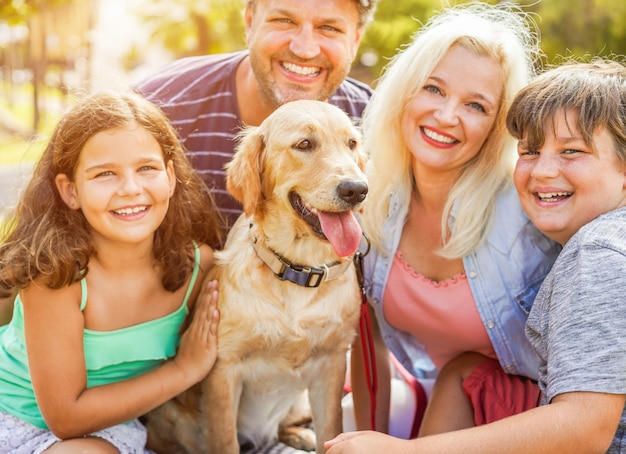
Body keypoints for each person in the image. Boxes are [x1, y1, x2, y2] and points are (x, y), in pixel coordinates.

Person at [325, 57, 626, 454]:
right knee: (467, 373)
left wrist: (403, 451)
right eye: (530, 151)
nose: (542, 171)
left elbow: (585, 430)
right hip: (511, 392)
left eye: (571, 151)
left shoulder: (597, 253)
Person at [343, 1, 562, 441]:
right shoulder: (370, 200)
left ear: (497, 126)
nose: (446, 117)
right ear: (405, 90)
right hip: (442, 406)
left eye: (476, 106)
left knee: (463, 374)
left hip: (537, 419)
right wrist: (368, 440)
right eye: (434, 89)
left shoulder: (528, 214)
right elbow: (368, 346)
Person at [0, 91, 222, 453]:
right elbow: (66, 418)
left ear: (170, 176)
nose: (130, 189)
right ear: (70, 191)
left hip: (106, 429)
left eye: (146, 169)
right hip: (11, 418)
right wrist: (184, 369)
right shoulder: (56, 276)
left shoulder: (199, 267)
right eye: (105, 174)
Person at [135, 0, 378, 232]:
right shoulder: (158, 107)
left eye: (329, 28)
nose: (305, 50)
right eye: (284, 20)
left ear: (355, 39)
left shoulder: (376, 119)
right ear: (250, 22)